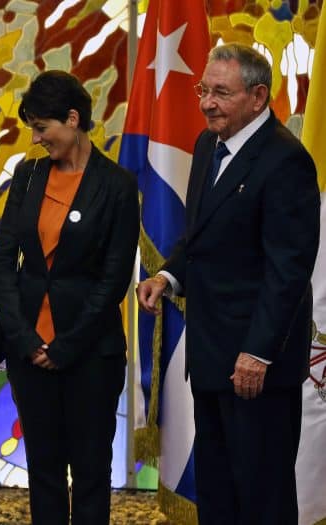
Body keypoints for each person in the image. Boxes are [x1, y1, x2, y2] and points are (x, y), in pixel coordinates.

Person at [136, 43, 319, 525]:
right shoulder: (207, 145)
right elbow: (202, 235)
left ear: (258, 97)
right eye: (203, 89)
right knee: (217, 492)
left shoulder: (285, 160)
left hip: (258, 364)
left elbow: (289, 269)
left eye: (221, 92)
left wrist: (258, 353)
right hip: (212, 353)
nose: (206, 103)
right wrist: (168, 275)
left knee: (262, 494)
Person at [0, 70, 139, 524]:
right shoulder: (28, 175)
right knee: (45, 473)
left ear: (73, 119)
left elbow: (113, 281)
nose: (36, 139)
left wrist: (66, 346)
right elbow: (5, 261)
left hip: (90, 354)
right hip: (28, 352)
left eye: (42, 128)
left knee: (92, 472)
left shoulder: (117, 185)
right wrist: (23, 337)